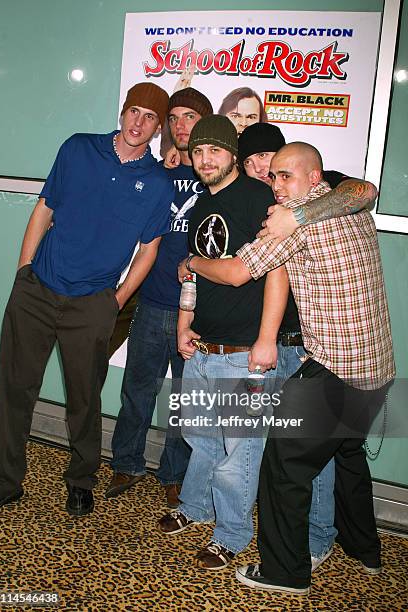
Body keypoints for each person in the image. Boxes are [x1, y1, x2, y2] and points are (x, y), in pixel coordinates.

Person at [178, 142, 395, 594]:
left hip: (337, 369)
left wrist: (192, 261)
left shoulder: (289, 225)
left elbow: (239, 272)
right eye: (273, 176)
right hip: (376, 368)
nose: (276, 187)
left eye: (286, 176)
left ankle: (284, 571)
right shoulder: (347, 208)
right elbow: (362, 190)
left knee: (283, 465)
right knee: (346, 453)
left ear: (315, 179)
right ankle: (364, 548)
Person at [0, 82, 174, 518]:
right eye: (134, 111)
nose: (138, 122)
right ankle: (3, 481)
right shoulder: (77, 149)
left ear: (158, 128)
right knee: (15, 390)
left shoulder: (157, 183)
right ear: (123, 111)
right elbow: (44, 208)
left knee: (85, 398)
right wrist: (23, 271)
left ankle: (80, 479)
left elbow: (149, 250)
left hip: (93, 303)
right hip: (37, 289)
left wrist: (117, 300)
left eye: (149, 117)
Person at [158, 114, 288, 570]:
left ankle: (231, 533)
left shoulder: (258, 200)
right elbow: (194, 272)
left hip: (242, 355)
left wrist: (267, 340)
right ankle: (195, 508)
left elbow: (277, 270)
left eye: (214, 150)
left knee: (240, 452)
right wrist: (183, 325)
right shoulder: (199, 205)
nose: (205, 159)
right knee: (200, 437)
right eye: (198, 151)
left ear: (232, 153)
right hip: (203, 349)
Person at [106, 88, 213, 509]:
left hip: (198, 311)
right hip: (151, 303)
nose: (181, 125)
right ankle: (126, 463)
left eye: (190, 116)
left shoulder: (218, 174)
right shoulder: (156, 173)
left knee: (186, 403)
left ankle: (174, 475)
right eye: (174, 118)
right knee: (137, 391)